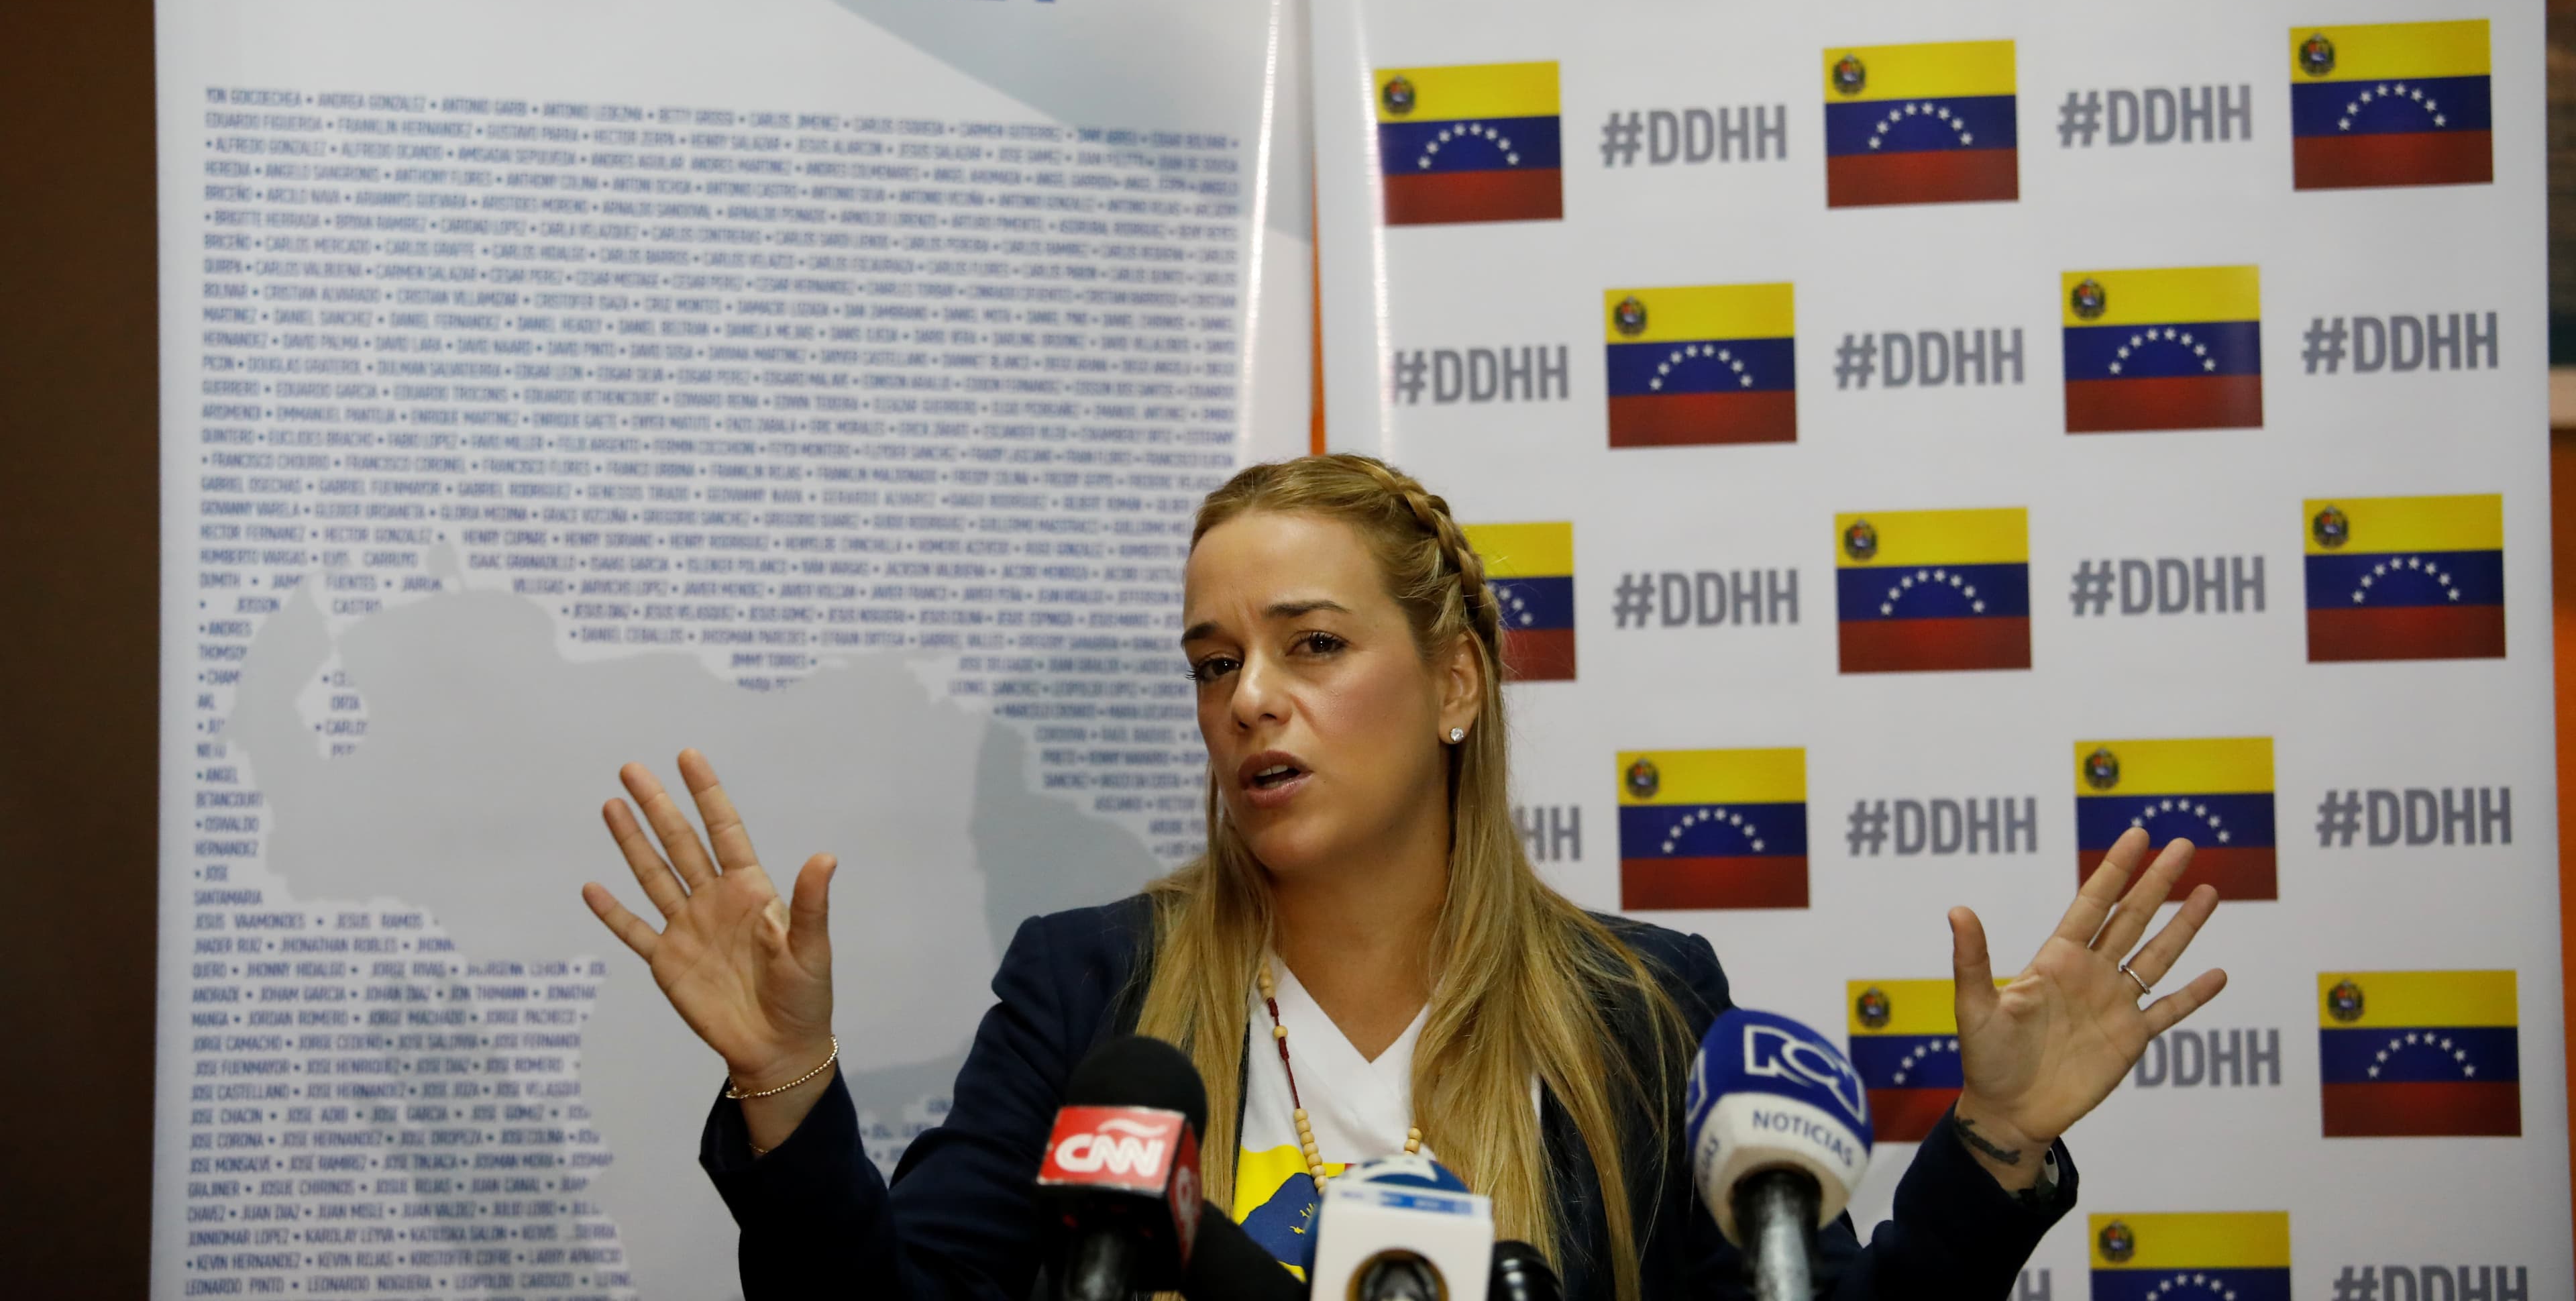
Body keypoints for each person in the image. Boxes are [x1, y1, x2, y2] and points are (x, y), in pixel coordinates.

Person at [581, 454, 2226, 1300]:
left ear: (1452, 685)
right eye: (1214, 661)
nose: (1250, 698)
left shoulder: (1640, 1001)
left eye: (1311, 644)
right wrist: (790, 1086)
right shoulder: (1090, 987)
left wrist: (1996, 1144)